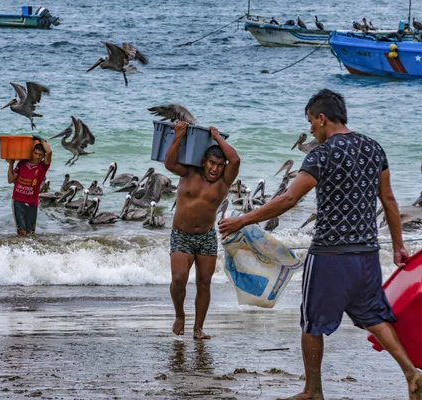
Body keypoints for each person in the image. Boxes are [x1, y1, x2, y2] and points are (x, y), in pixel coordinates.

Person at [219, 89, 422, 399]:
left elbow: (289, 198)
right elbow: (389, 200)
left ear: (322, 118)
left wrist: (242, 221)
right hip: (367, 254)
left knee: (312, 320)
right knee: (373, 316)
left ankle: (313, 391)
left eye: (311, 121)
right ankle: (411, 375)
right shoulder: (373, 147)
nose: (311, 128)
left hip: (330, 254)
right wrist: (398, 245)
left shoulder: (322, 154)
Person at [164, 121, 240, 339]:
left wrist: (217, 137)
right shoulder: (189, 172)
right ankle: (180, 315)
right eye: (211, 163)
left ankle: (198, 328)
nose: (215, 169)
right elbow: (169, 163)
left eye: (219, 164)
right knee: (179, 278)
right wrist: (179, 135)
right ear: (204, 162)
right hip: (181, 234)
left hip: (206, 236)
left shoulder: (224, 182)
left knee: (204, 282)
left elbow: (235, 159)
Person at [7, 137, 52, 236]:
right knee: (21, 231)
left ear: (43, 156)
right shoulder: (22, 163)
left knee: (31, 232)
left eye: (40, 155)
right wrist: (11, 164)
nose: (37, 157)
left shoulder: (43, 167)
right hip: (18, 200)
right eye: (36, 153)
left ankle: (29, 251)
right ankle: (20, 250)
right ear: (32, 153)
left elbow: (49, 152)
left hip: (32, 202)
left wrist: (41, 140)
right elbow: (10, 180)